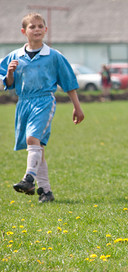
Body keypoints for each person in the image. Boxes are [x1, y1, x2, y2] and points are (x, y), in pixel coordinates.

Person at [0, 13, 85, 203]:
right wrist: (10, 73)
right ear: (24, 31)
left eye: (40, 26)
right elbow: (8, 83)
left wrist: (77, 107)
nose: (36, 29)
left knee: (33, 139)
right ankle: (46, 192)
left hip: (44, 101)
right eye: (32, 27)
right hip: (23, 103)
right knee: (38, 148)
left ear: (45, 30)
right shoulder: (15, 56)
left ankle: (28, 179)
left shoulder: (54, 56)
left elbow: (69, 82)